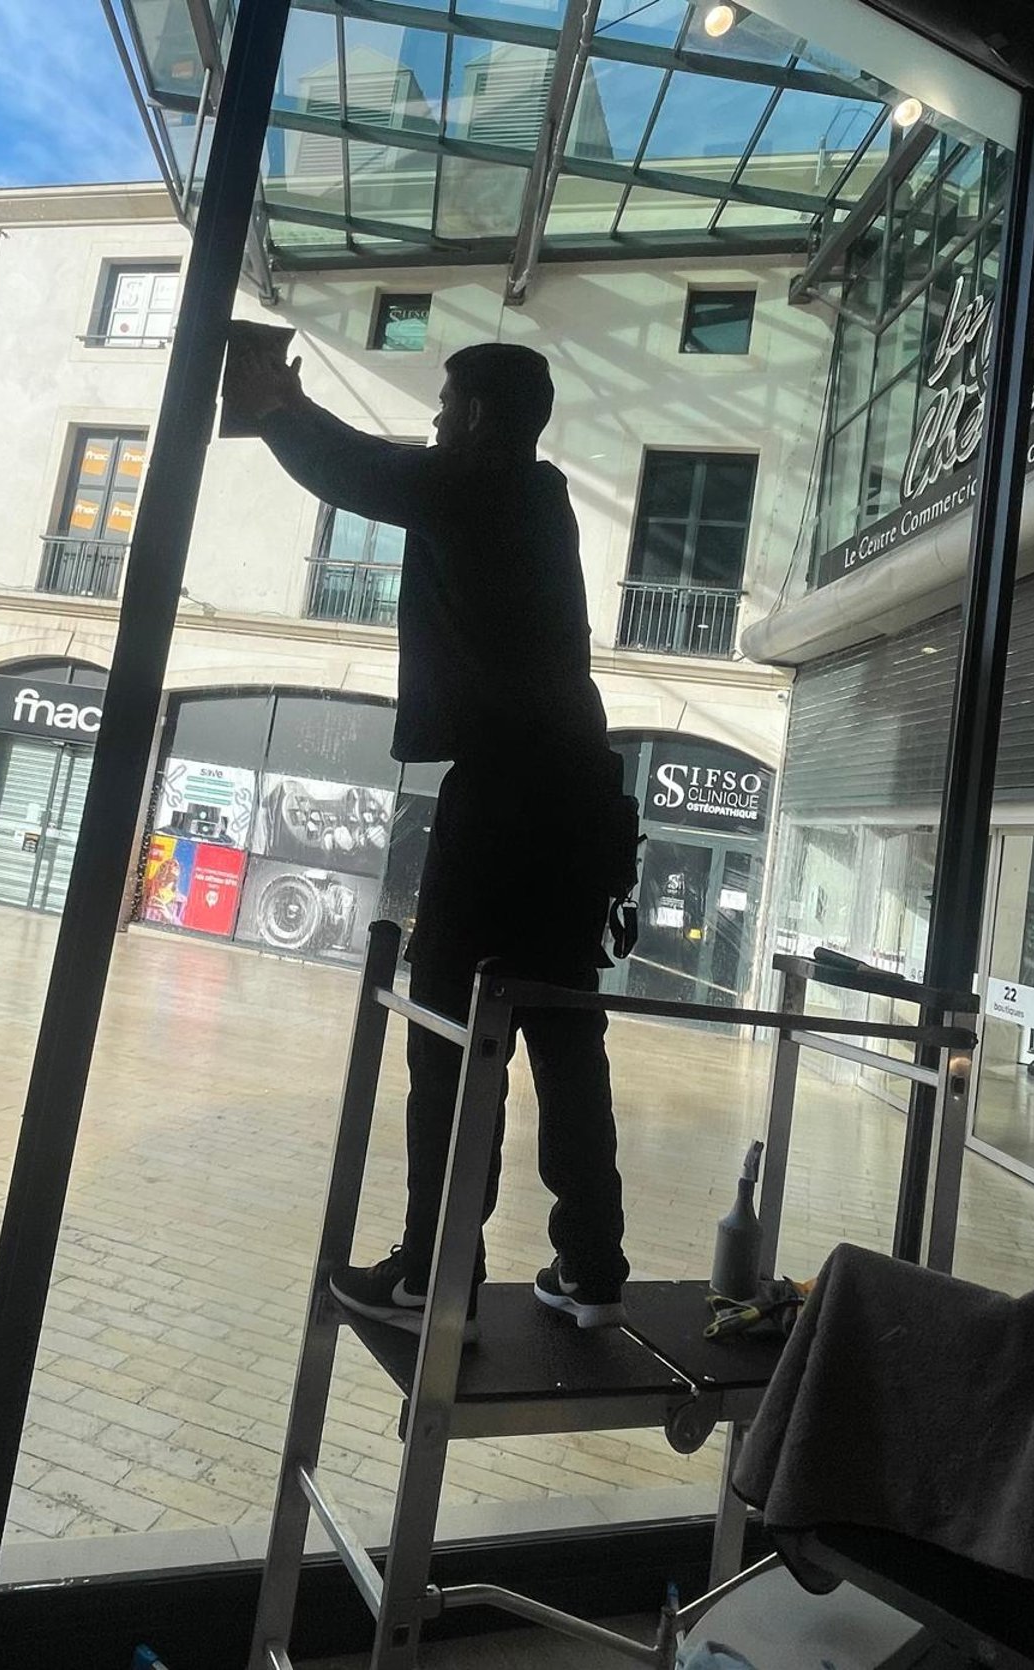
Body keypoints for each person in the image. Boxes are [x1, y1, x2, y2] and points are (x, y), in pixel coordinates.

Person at [227, 339, 637, 1339]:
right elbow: (391, 463)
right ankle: (592, 1266)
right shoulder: (536, 501)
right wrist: (297, 408)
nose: (437, 422)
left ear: (484, 419)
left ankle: (433, 1272)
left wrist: (280, 407)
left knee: (450, 1031)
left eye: (449, 407)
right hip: (580, 801)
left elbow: (361, 471)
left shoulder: (481, 489)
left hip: (506, 801)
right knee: (565, 1029)